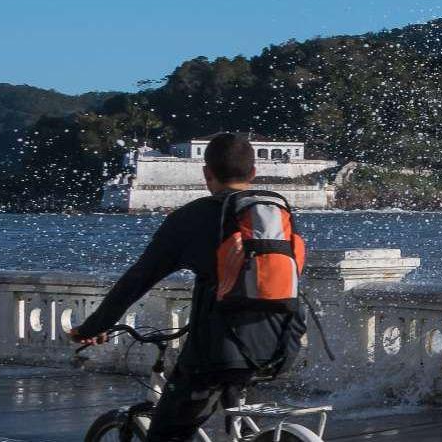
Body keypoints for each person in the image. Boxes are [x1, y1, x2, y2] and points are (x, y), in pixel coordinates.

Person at [71, 133, 306, 441]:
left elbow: (138, 279)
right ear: (253, 173)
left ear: (206, 173)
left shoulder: (192, 217)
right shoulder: (273, 214)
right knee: (233, 401)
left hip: (216, 352)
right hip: (278, 344)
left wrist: (95, 325)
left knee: (168, 433)